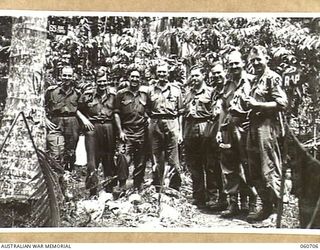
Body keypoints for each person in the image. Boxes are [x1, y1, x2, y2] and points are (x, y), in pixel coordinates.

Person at [244, 46, 287, 222]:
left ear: (266, 58)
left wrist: (257, 105)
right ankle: (266, 207)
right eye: (252, 60)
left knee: (268, 167)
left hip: (267, 128)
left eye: (258, 59)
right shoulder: (255, 79)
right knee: (254, 169)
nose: (255, 63)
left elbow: (282, 103)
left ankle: (277, 211)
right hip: (254, 127)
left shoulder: (272, 77)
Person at [216, 50, 257, 218]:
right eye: (230, 64)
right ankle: (234, 204)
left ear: (243, 64)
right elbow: (223, 110)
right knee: (229, 167)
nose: (234, 67)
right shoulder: (227, 85)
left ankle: (252, 203)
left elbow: (258, 105)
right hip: (228, 127)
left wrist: (253, 122)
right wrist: (219, 130)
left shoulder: (252, 82)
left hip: (246, 128)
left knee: (248, 165)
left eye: (236, 63)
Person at [78, 70, 119, 196]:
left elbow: (117, 112)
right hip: (93, 128)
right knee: (92, 160)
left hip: (108, 127)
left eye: (104, 81)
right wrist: (85, 120)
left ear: (108, 81)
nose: (102, 84)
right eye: (100, 81)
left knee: (108, 158)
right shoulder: (88, 95)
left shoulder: (113, 95)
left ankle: (109, 189)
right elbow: (78, 110)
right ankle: (93, 190)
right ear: (95, 82)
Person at [182, 65, 217, 208]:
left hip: (205, 128)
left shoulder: (210, 92)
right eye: (193, 76)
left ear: (203, 76)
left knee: (209, 164)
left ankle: (213, 196)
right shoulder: (187, 93)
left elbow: (214, 112)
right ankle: (198, 196)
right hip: (190, 129)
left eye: (197, 75)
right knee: (194, 165)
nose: (195, 78)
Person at [147, 62, 183, 192]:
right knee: (156, 157)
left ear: (168, 73)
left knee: (173, 158)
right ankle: (158, 187)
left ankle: (175, 188)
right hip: (155, 123)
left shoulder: (176, 90)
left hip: (171, 123)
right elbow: (147, 109)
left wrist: (180, 132)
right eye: (159, 72)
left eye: (164, 72)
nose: (162, 74)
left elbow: (180, 112)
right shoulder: (150, 90)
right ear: (156, 74)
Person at [114, 69, 149, 191]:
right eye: (132, 76)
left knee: (141, 159)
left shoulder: (145, 94)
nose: (134, 79)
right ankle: (122, 185)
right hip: (126, 131)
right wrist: (120, 131)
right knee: (123, 157)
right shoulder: (121, 94)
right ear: (128, 77)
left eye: (137, 77)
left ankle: (138, 185)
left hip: (141, 131)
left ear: (140, 79)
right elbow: (116, 113)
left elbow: (149, 111)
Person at [45, 66, 82, 172]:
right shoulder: (51, 91)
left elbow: (81, 110)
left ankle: (68, 176)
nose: (66, 78)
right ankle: (56, 176)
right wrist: (45, 119)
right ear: (60, 76)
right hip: (56, 123)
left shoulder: (77, 93)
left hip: (72, 124)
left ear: (72, 77)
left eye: (69, 75)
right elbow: (40, 105)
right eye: (64, 75)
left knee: (70, 152)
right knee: (56, 152)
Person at [204, 61, 228, 210]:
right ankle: (215, 197)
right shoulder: (213, 92)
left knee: (225, 165)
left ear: (224, 72)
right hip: (213, 129)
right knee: (211, 164)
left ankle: (227, 198)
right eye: (214, 74)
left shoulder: (229, 89)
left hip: (226, 130)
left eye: (219, 73)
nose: (217, 76)